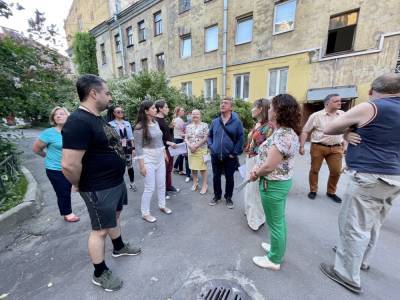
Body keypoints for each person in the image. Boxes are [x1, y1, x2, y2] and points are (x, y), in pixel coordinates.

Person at [319, 73, 400, 295]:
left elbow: (329, 128)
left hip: (370, 176)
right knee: (373, 223)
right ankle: (362, 260)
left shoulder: (372, 107)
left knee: (354, 225)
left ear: (373, 91)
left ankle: (346, 274)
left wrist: (346, 131)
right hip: (394, 177)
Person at [61, 74, 141, 292]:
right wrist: (78, 183)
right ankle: (100, 272)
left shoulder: (96, 118)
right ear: (93, 93)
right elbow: (68, 165)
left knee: (114, 217)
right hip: (98, 187)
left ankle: (119, 247)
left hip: (114, 182)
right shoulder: (77, 121)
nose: (110, 96)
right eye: (107, 92)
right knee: (100, 230)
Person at [250, 94, 301, 271]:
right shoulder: (286, 132)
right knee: (277, 221)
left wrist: (256, 172)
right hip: (279, 183)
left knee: (275, 222)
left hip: (273, 184)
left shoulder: (283, 135)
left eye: (271, 107)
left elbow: (270, 165)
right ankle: (276, 249)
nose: (268, 110)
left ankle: (274, 259)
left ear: (279, 112)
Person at [33, 107, 79, 222]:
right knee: (63, 191)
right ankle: (67, 213)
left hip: (72, 167)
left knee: (80, 188)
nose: (58, 116)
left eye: (62, 114)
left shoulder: (74, 131)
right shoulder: (48, 133)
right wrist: (48, 157)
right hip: (55, 169)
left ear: (68, 116)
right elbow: (36, 149)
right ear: (53, 118)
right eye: (56, 115)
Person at [299, 94, 346, 203]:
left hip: (336, 148)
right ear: (327, 103)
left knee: (336, 171)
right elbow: (305, 130)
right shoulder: (316, 116)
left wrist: (346, 144)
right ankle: (313, 190)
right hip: (318, 147)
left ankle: (331, 192)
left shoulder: (343, 115)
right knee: (315, 170)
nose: (339, 103)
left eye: (340, 101)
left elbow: (349, 130)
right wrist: (301, 146)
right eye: (336, 101)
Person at [134, 100, 172, 223]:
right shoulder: (139, 127)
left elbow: (160, 140)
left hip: (159, 157)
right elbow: (138, 147)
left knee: (161, 184)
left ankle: (162, 205)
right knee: (149, 187)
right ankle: (145, 213)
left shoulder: (155, 123)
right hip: (147, 158)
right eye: (153, 108)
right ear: (146, 111)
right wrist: (142, 166)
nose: (156, 110)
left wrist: (164, 153)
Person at [208, 97, 244, 209]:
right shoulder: (215, 122)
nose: (222, 105)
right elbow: (209, 136)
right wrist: (211, 146)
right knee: (216, 177)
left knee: (229, 177)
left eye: (225, 103)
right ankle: (217, 196)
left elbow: (240, 138)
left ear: (231, 107)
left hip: (230, 156)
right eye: (221, 103)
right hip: (215, 155)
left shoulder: (237, 122)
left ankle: (228, 197)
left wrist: (234, 153)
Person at [244, 99, 273, 230]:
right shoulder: (258, 124)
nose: (251, 110)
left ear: (260, 109)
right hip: (250, 159)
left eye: (253, 107)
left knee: (254, 190)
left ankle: (256, 219)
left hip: (258, 161)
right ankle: (250, 213)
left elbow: (268, 149)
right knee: (249, 189)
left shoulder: (269, 126)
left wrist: (259, 166)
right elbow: (252, 142)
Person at [108, 105, 136, 191]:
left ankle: (132, 183)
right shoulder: (110, 124)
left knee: (130, 166)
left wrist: (133, 148)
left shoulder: (127, 123)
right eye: (118, 112)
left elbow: (131, 137)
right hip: (117, 148)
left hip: (127, 147)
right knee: (119, 167)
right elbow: (110, 138)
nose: (121, 113)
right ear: (114, 113)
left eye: (122, 111)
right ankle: (119, 185)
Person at [154, 100, 180, 196]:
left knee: (169, 169)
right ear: (160, 109)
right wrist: (168, 142)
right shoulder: (155, 121)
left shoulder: (163, 119)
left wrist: (170, 127)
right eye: (166, 107)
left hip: (169, 148)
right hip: (163, 149)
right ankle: (163, 191)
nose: (168, 109)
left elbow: (164, 133)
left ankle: (169, 186)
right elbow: (156, 138)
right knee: (162, 170)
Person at [185, 109, 209, 194]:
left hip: (201, 149)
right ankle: (195, 183)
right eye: (193, 114)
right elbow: (186, 138)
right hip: (191, 150)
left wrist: (196, 146)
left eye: (197, 114)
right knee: (193, 167)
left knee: (203, 168)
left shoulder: (205, 125)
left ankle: (204, 185)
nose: (195, 115)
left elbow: (206, 138)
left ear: (200, 115)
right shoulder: (188, 126)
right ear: (191, 115)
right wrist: (189, 145)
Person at [172, 107, 187, 179]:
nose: (183, 111)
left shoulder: (176, 119)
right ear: (178, 112)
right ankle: (178, 169)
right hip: (179, 138)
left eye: (183, 110)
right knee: (182, 154)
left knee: (181, 154)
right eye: (182, 110)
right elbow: (183, 130)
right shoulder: (179, 120)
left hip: (177, 138)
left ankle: (177, 168)